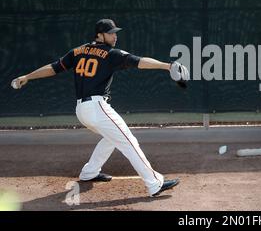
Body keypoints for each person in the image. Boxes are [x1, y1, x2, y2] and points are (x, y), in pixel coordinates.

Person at [10, 19, 190, 196]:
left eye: (115, 33)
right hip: (96, 108)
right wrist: (167, 66)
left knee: (111, 137)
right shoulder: (111, 53)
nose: (114, 36)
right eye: (110, 33)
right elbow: (140, 62)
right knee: (129, 141)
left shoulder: (77, 51)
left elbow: (53, 67)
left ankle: (90, 172)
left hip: (82, 110)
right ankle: (154, 184)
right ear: (99, 35)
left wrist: (28, 76)